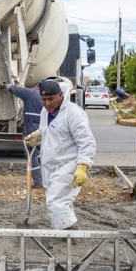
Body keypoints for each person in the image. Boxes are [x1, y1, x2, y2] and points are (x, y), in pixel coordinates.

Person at [25, 80, 96, 230]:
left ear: (61, 96)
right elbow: (50, 130)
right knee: (60, 200)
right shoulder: (46, 112)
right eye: (43, 100)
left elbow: (86, 141)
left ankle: (68, 233)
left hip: (69, 164)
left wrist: (82, 166)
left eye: (51, 99)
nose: (47, 103)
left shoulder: (73, 113)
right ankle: (63, 228)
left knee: (56, 200)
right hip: (51, 165)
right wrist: (39, 134)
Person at [1, 81, 43, 187]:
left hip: (31, 127)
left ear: (37, 86)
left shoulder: (31, 93)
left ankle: (38, 181)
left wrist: (5, 85)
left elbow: (15, 89)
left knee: (31, 153)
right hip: (42, 128)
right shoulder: (46, 96)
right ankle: (44, 178)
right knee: (39, 153)